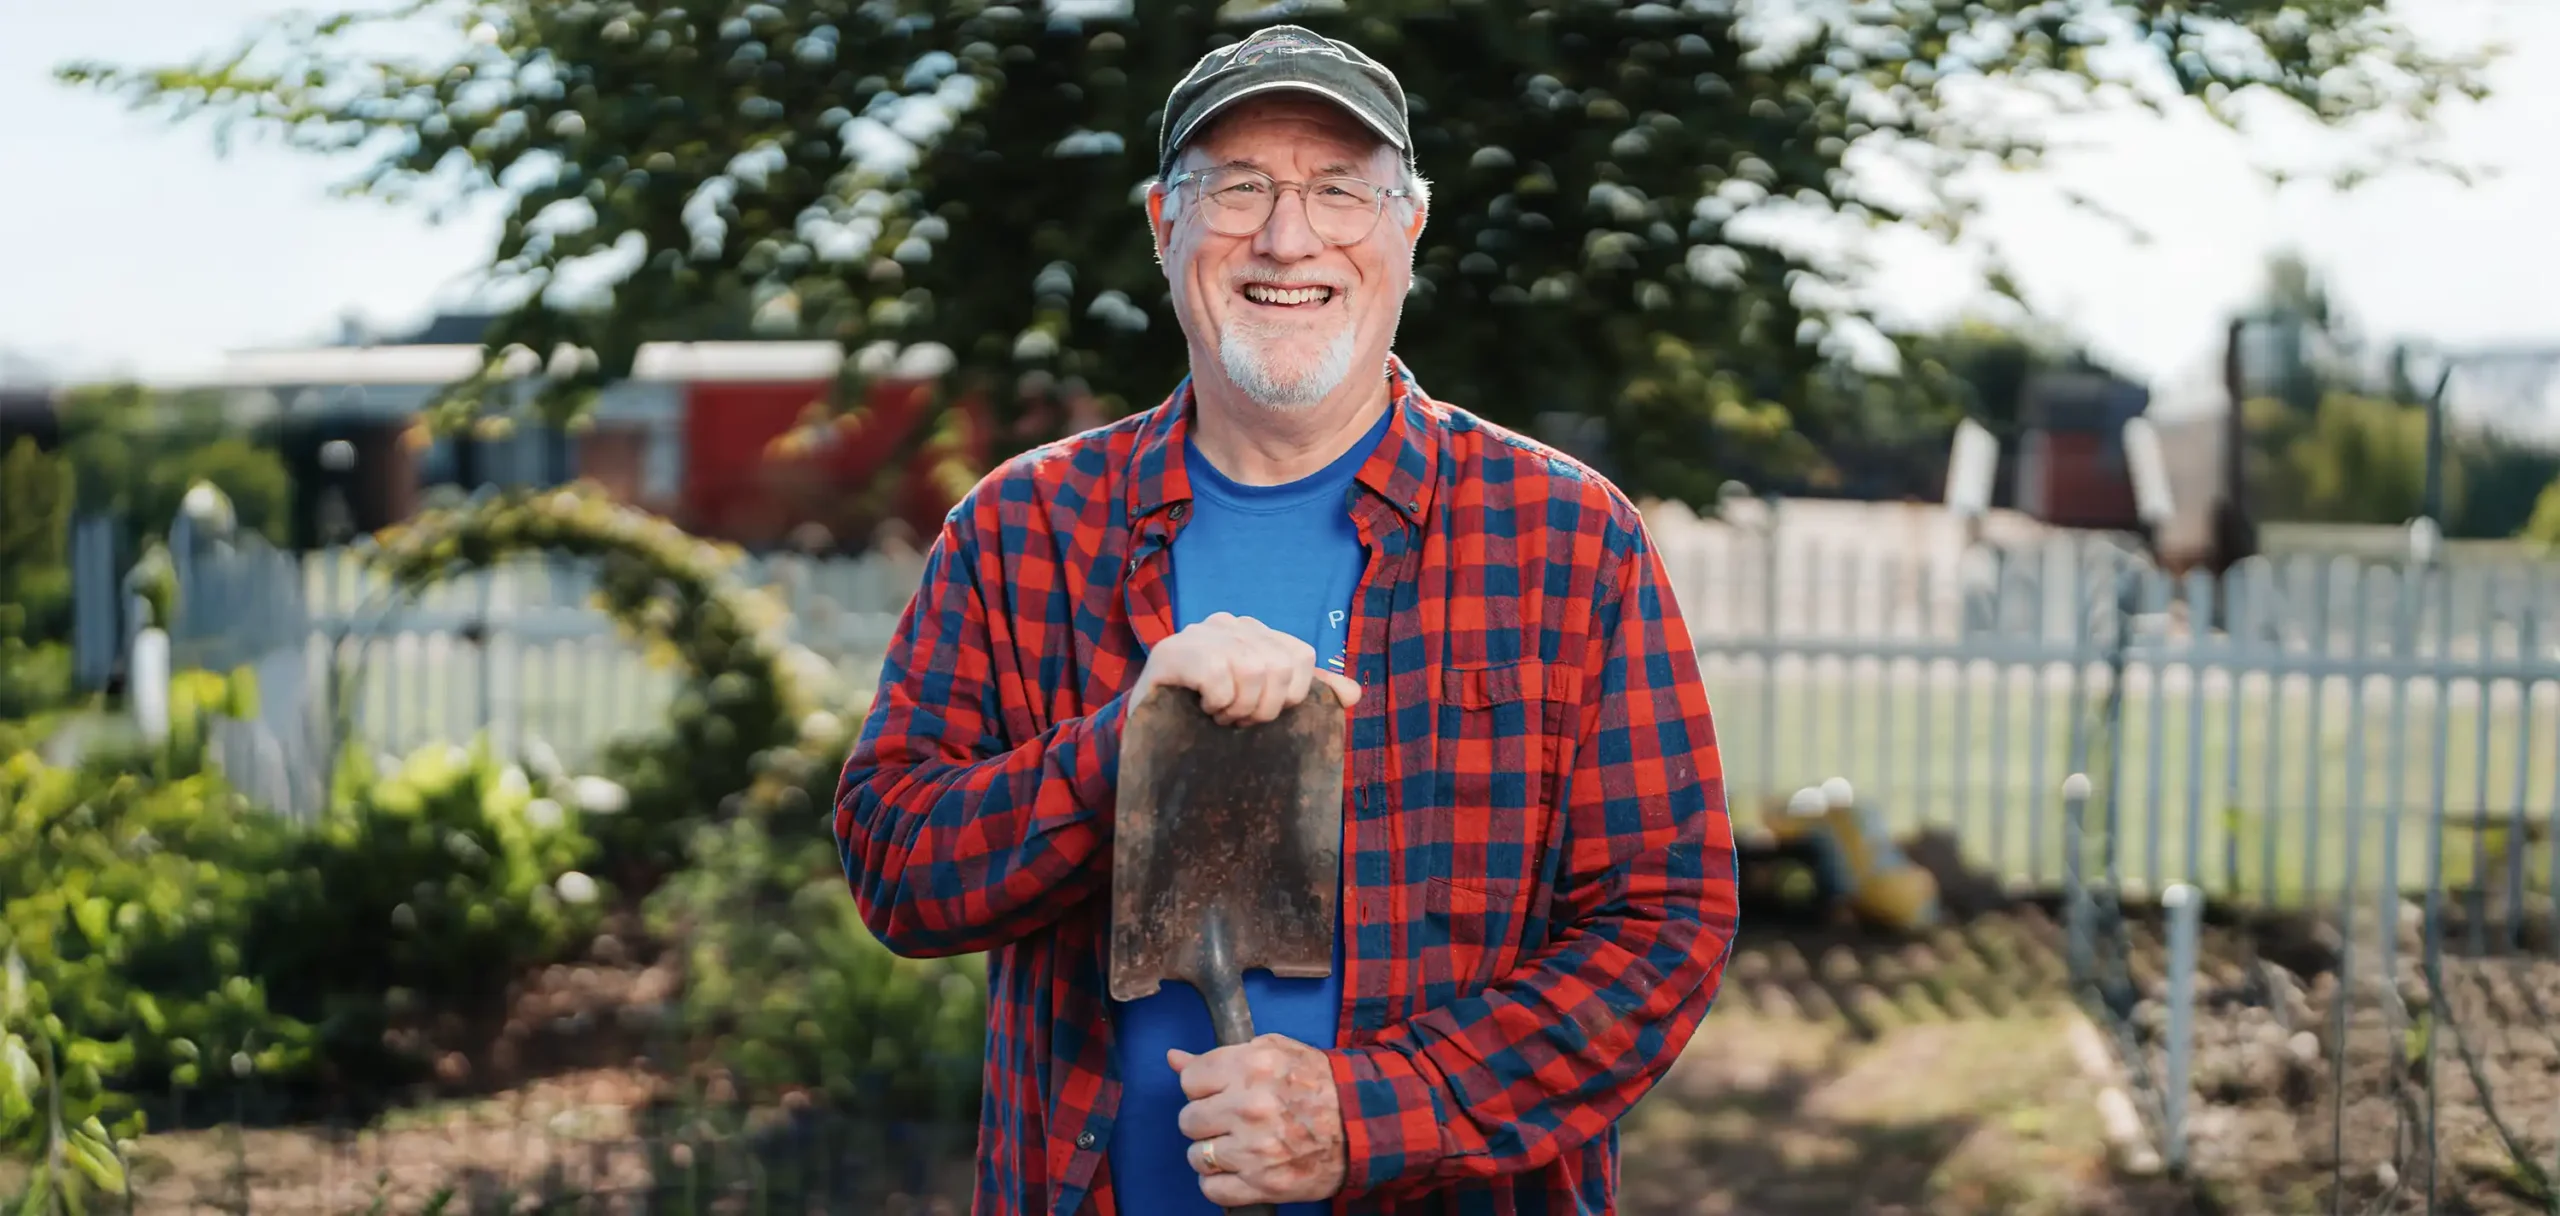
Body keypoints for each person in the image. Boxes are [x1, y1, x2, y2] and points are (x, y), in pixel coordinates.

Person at [835, 23, 1739, 1215]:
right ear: (1164, 224)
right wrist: (1119, 749)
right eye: (1240, 187)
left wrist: (1365, 1117)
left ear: (1407, 228)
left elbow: (1662, 925)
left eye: (1338, 191)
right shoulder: (1024, 531)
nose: (1287, 235)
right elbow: (898, 865)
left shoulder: (1566, 538)